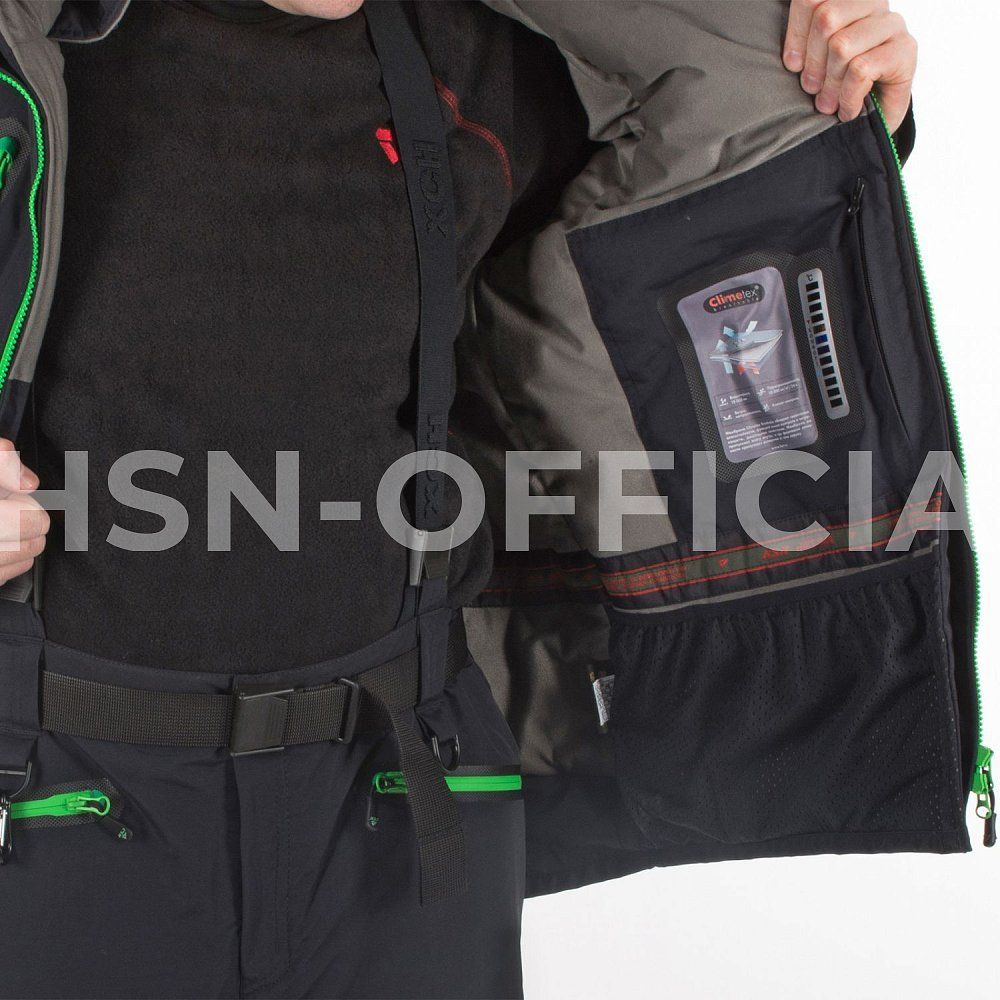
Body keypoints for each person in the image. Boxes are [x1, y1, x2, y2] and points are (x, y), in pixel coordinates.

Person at [0, 3, 951, 1000]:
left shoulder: (467, 60)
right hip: (53, 801)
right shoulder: (42, 54)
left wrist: (832, 105)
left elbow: (693, 182)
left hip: (404, 801)